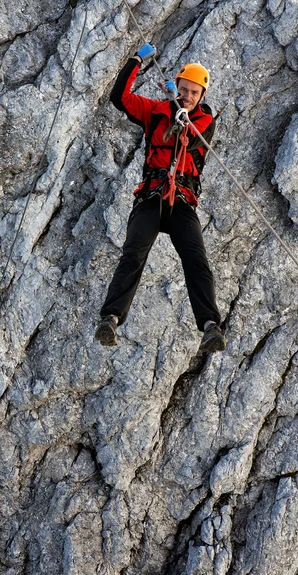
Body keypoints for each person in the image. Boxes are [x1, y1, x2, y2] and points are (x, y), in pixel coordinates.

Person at [94, 43, 226, 353]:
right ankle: (110, 318)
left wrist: (180, 116)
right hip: (152, 196)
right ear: (176, 87)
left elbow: (191, 139)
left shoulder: (205, 120)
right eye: (184, 90)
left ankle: (210, 325)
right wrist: (136, 60)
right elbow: (120, 98)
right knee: (134, 253)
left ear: (202, 96)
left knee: (196, 259)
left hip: (181, 200)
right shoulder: (155, 111)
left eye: (194, 92)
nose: (188, 96)